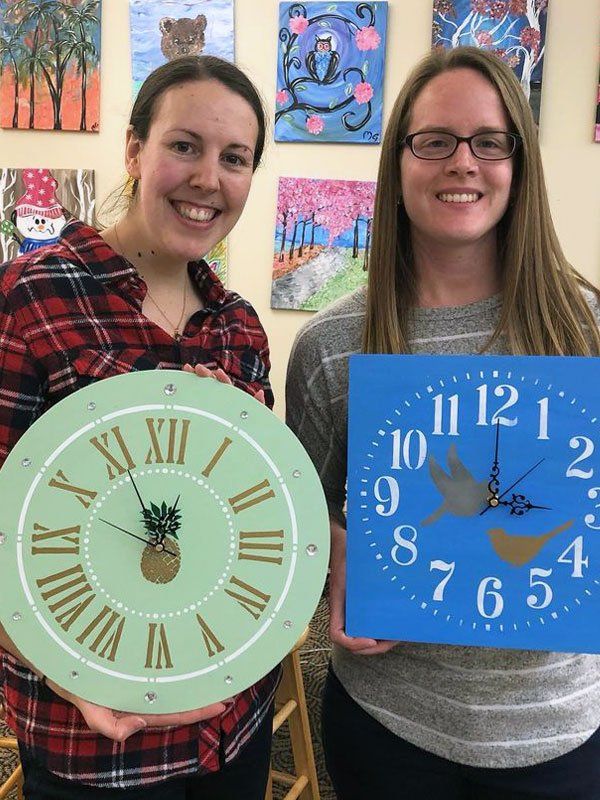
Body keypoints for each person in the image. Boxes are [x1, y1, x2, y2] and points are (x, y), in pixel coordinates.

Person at [286, 46, 600, 800]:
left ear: (518, 164)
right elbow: (306, 511)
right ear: (398, 163)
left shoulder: (585, 328)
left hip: (558, 729)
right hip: (392, 726)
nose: (463, 162)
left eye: (488, 141)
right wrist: (338, 569)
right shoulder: (333, 346)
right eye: (435, 141)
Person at [0, 55, 278, 799]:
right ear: (134, 150)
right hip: (95, 745)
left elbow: (256, 529)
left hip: (235, 731)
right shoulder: (34, 297)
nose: (208, 179)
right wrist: (68, 670)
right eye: (184, 145)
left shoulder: (242, 329)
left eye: (235, 158)